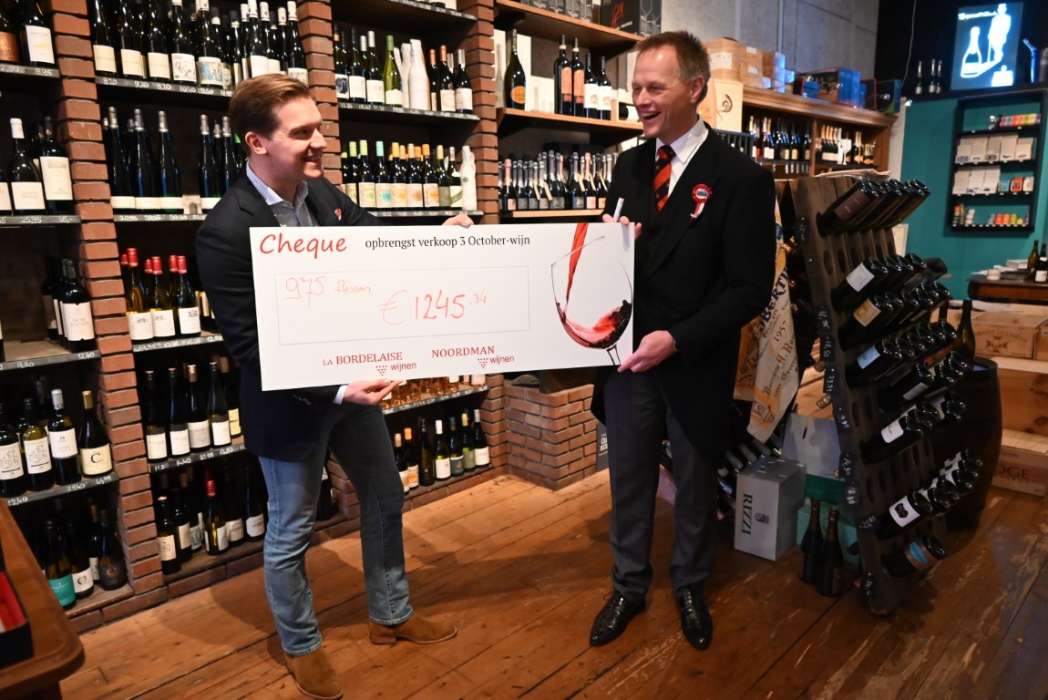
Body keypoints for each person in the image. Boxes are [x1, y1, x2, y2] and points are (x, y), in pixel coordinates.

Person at [196, 75, 471, 700]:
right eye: (303, 133)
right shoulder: (225, 231)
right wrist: (337, 390)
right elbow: (250, 349)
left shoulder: (320, 194)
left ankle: (391, 613)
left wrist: (439, 237)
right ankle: (301, 645)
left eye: (318, 127)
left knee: (385, 496)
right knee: (291, 531)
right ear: (257, 142)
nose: (321, 142)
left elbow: (377, 241)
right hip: (293, 403)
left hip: (352, 384)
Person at [590, 31, 775, 651]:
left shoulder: (741, 177)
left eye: (654, 87)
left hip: (695, 358)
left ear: (695, 88)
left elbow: (749, 289)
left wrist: (678, 338)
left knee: (695, 483)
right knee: (629, 478)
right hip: (629, 357)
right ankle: (628, 585)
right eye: (636, 87)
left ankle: (691, 584)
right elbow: (619, 261)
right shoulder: (628, 165)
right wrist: (611, 249)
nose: (640, 100)